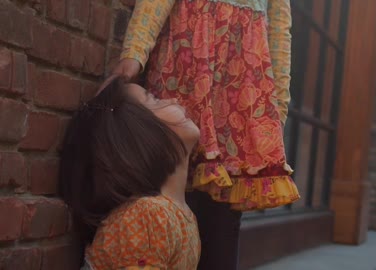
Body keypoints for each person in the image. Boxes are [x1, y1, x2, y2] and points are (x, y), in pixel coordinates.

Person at [111, 0, 299, 269]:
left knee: (222, 214)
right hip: (186, 72)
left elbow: (280, 31)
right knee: (163, 183)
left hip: (240, 90)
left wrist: (276, 108)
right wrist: (134, 54)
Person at [59, 77, 201, 270]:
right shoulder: (148, 215)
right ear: (138, 135)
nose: (174, 100)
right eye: (156, 100)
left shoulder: (179, 214)